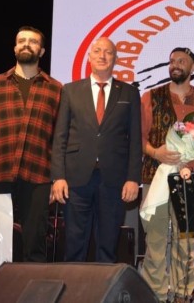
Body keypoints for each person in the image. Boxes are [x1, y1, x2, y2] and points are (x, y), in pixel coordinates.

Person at [0, 25, 62, 262]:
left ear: (41, 51)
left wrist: (57, 179)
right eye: (22, 41)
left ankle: (33, 286)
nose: (26, 45)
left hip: (39, 176)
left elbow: (60, 139)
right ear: (15, 48)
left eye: (33, 41)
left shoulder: (56, 89)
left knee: (35, 244)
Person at [51, 37, 142, 262]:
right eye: (98, 51)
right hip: (76, 179)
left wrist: (133, 178)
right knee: (74, 245)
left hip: (114, 180)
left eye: (108, 52)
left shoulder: (129, 93)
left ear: (115, 59)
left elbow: (135, 140)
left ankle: (105, 286)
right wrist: (58, 177)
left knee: (108, 247)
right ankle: (73, 285)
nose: (102, 56)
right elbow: (60, 136)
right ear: (90, 57)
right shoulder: (70, 90)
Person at [140, 47, 194, 303]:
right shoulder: (151, 96)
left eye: (182, 61)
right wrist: (155, 152)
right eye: (172, 61)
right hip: (155, 178)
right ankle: (155, 295)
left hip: (191, 180)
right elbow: (139, 137)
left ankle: (183, 295)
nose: (176, 65)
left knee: (186, 242)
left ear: (193, 67)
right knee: (156, 241)